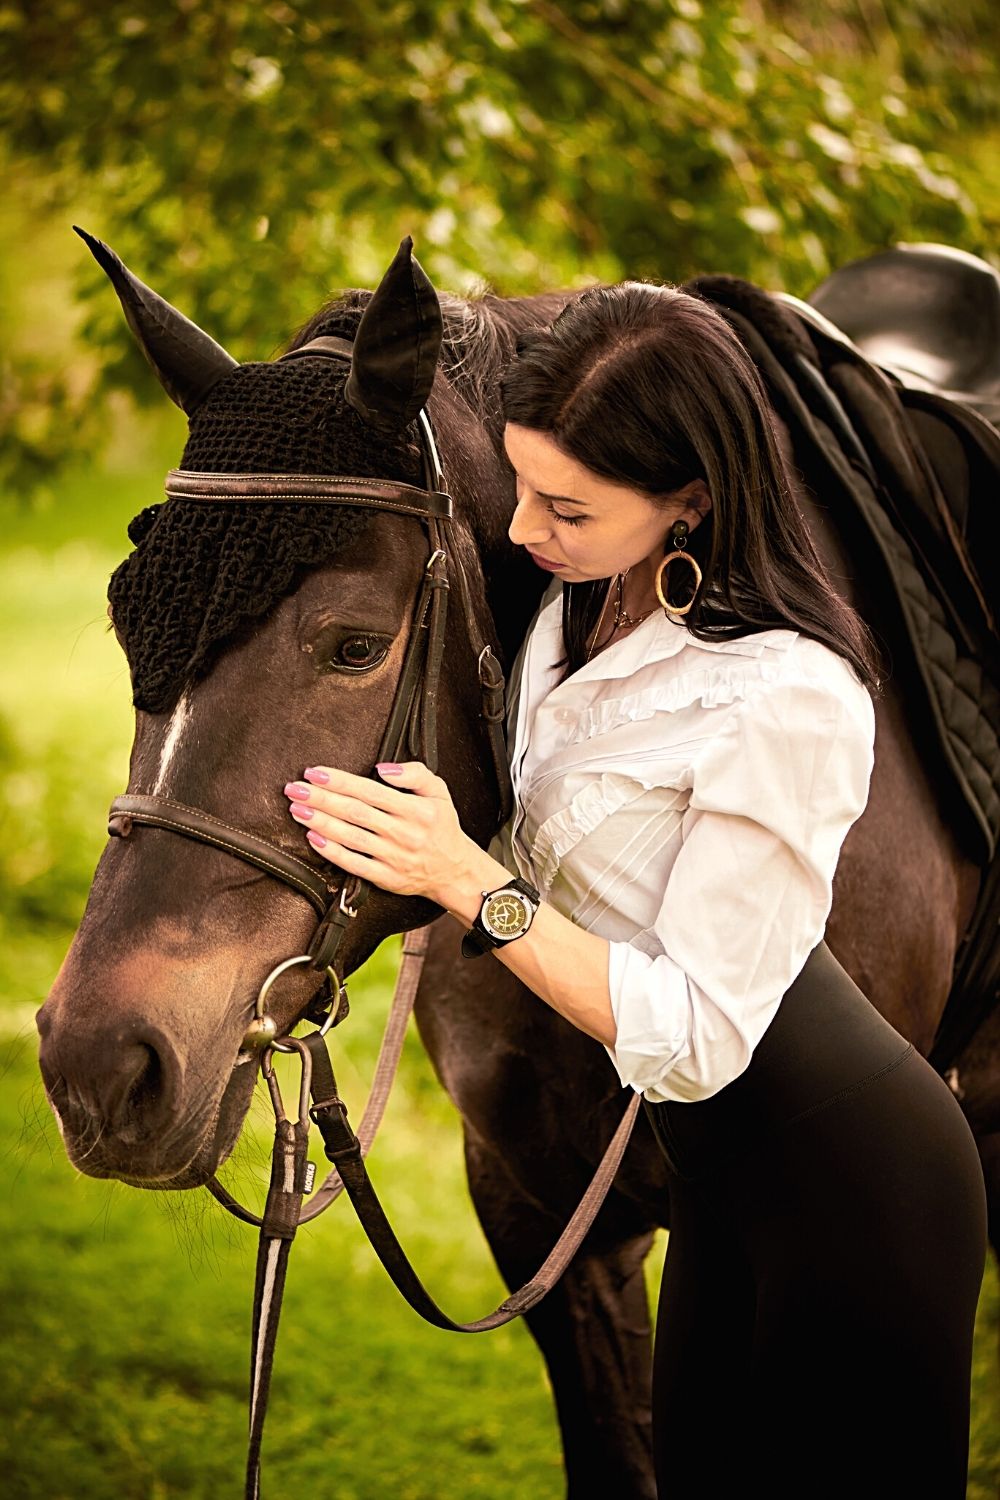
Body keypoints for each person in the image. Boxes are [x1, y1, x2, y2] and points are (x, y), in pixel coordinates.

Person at [281, 282, 986, 1497]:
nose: (524, 531)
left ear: (690, 503)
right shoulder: (568, 604)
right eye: (521, 488)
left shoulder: (787, 697)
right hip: (726, 1185)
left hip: (854, 1192)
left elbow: (701, 1040)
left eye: (567, 507)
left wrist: (469, 883)